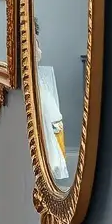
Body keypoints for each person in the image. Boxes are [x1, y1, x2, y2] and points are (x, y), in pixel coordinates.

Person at [34, 17, 69, 181]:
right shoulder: (29, 44)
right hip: (35, 81)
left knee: (52, 120)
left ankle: (51, 162)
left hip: (39, 80)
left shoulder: (34, 41)